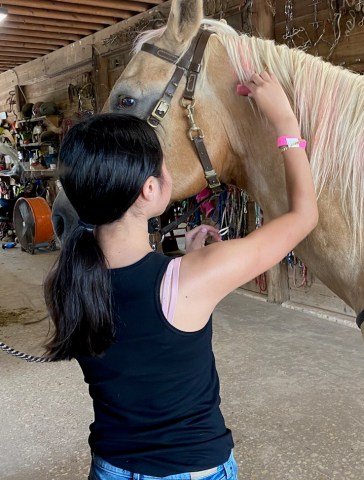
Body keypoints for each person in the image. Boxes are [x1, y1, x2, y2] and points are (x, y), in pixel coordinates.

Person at [43, 71, 318, 480]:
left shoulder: (66, 281)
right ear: (149, 190)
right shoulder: (193, 277)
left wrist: (191, 260)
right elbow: (304, 216)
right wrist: (287, 126)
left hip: (111, 468)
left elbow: (142, 312)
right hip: (191, 470)